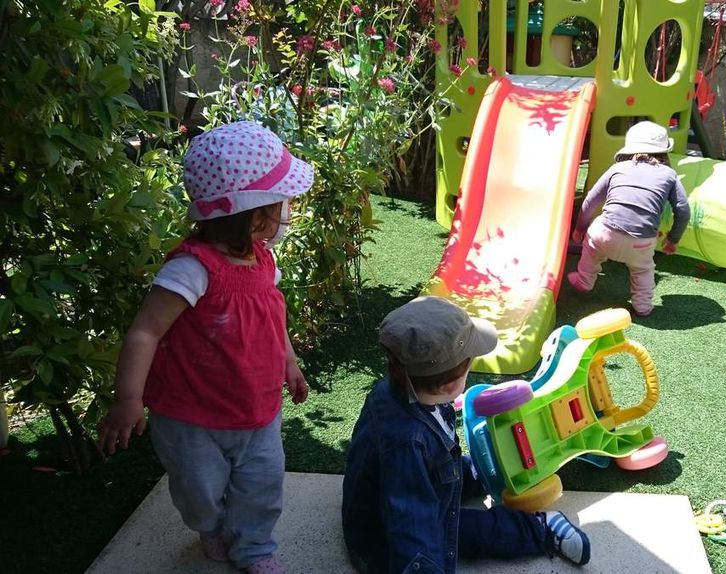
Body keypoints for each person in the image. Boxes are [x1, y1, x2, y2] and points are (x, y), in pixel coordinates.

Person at [97, 121, 314, 574]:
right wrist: (128, 400)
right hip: (191, 417)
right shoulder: (192, 270)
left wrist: (289, 363)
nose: (287, 212)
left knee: (262, 484)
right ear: (253, 214)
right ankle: (210, 526)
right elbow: (145, 332)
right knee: (198, 490)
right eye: (280, 204)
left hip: (258, 408)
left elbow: (272, 319)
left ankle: (254, 547)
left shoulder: (263, 259)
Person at [342, 296, 591, 573]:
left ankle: (484, 471)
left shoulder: (395, 389)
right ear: (450, 385)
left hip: (382, 501)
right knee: (470, 530)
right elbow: (413, 529)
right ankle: (541, 529)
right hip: (381, 542)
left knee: (459, 471)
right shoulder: (407, 443)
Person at [567, 121, 690, 317]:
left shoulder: (618, 168)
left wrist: (580, 228)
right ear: (664, 152)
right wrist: (673, 240)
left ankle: (585, 279)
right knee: (643, 270)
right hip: (639, 244)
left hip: (605, 234)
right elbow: (683, 211)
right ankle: (642, 305)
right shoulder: (669, 175)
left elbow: (590, 200)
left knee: (591, 246)